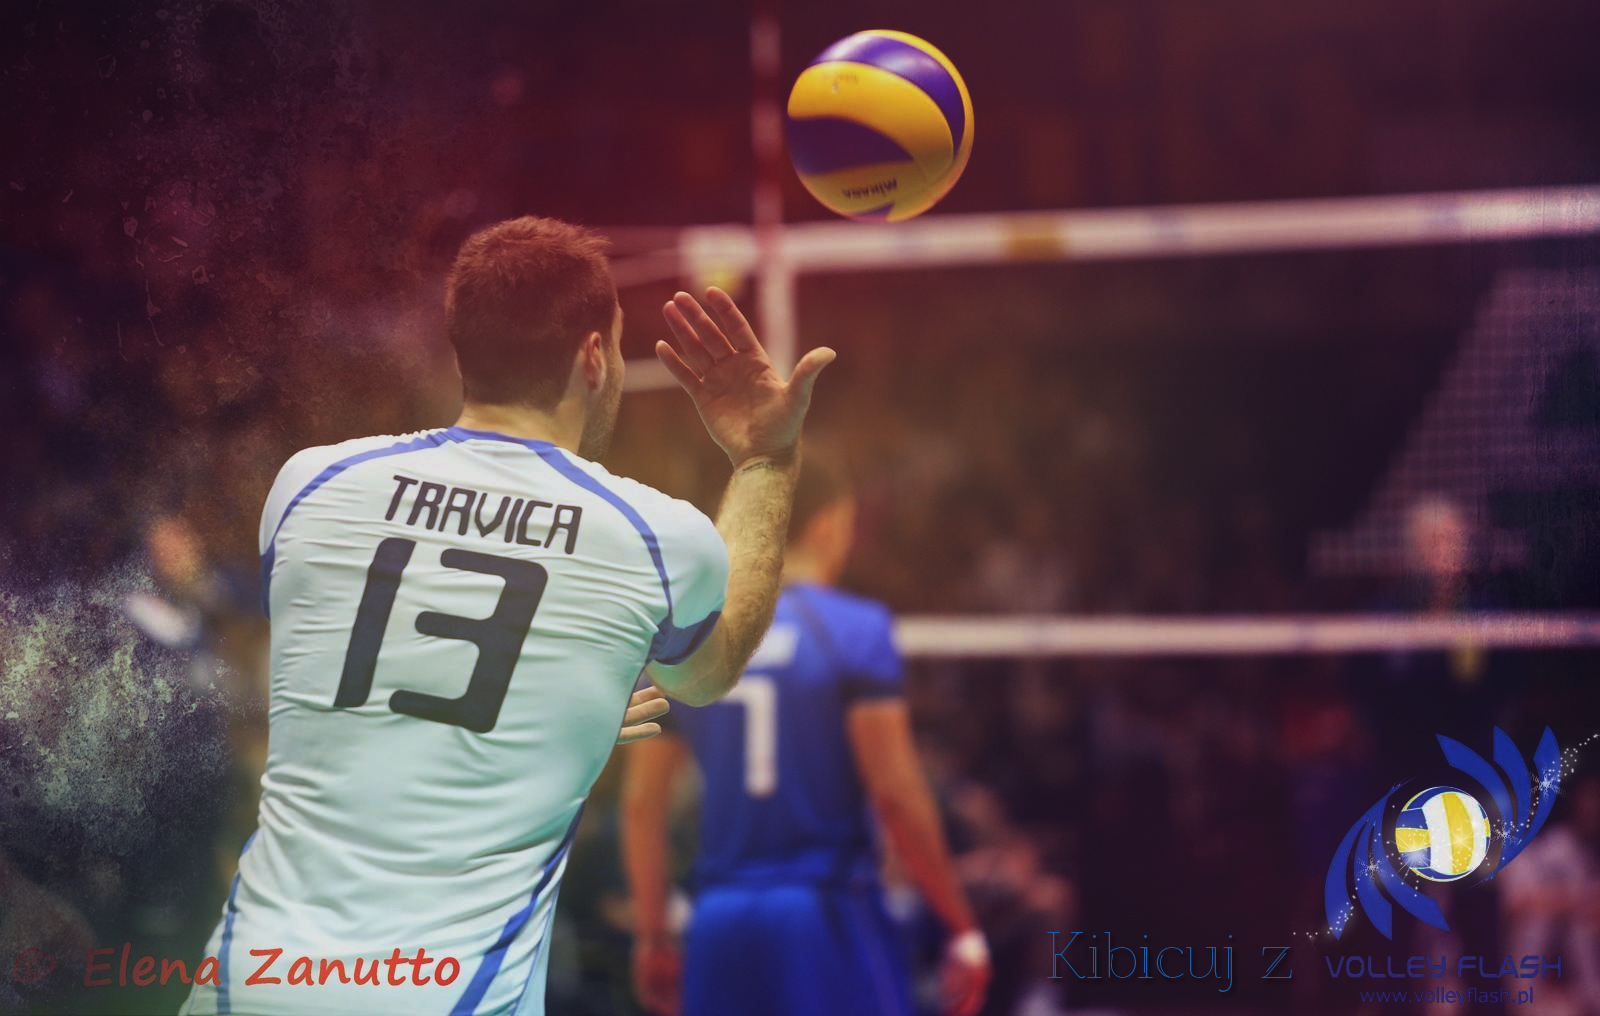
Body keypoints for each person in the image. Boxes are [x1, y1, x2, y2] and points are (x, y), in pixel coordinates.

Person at [180, 216, 834, 1016]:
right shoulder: (652, 536)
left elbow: (360, 666)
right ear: (593, 356)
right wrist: (766, 458)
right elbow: (707, 673)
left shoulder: (309, 486)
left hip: (247, 982)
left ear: (463, 349)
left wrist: (554, 709)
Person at [620, 451, 992, 1016]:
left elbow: (641, 805)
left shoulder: (687, 638)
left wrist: (653, 936)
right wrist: (959, 925)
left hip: (719, 921)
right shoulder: (855, 630)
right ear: (827, 524)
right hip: (823, 914)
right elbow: (895, 793)